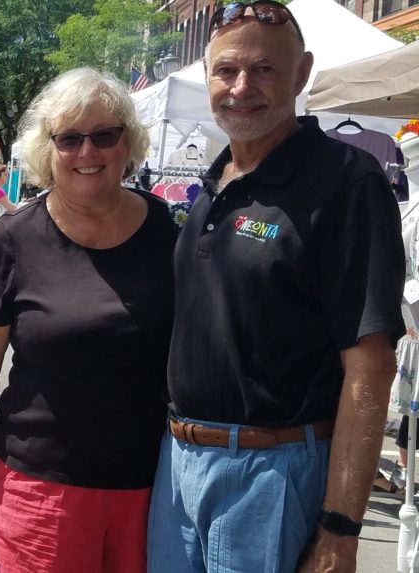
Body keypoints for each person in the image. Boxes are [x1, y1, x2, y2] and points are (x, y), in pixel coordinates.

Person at [148, 4, 405, 572]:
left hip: (272, 473)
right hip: (179, 467)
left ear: (302, 72)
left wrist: (341, 527)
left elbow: (371, 365)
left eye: (263, 69)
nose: (241, 87)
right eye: (226, 71)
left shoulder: (345, 180)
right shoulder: (216, 180)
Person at [0, 68, 179, 572]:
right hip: (41, 495)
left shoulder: (168, 232)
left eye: (104, 135)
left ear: (127, 141)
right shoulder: (12, 240)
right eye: (69, 138)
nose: (87, 152)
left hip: (153, 491)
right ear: (47, 149)